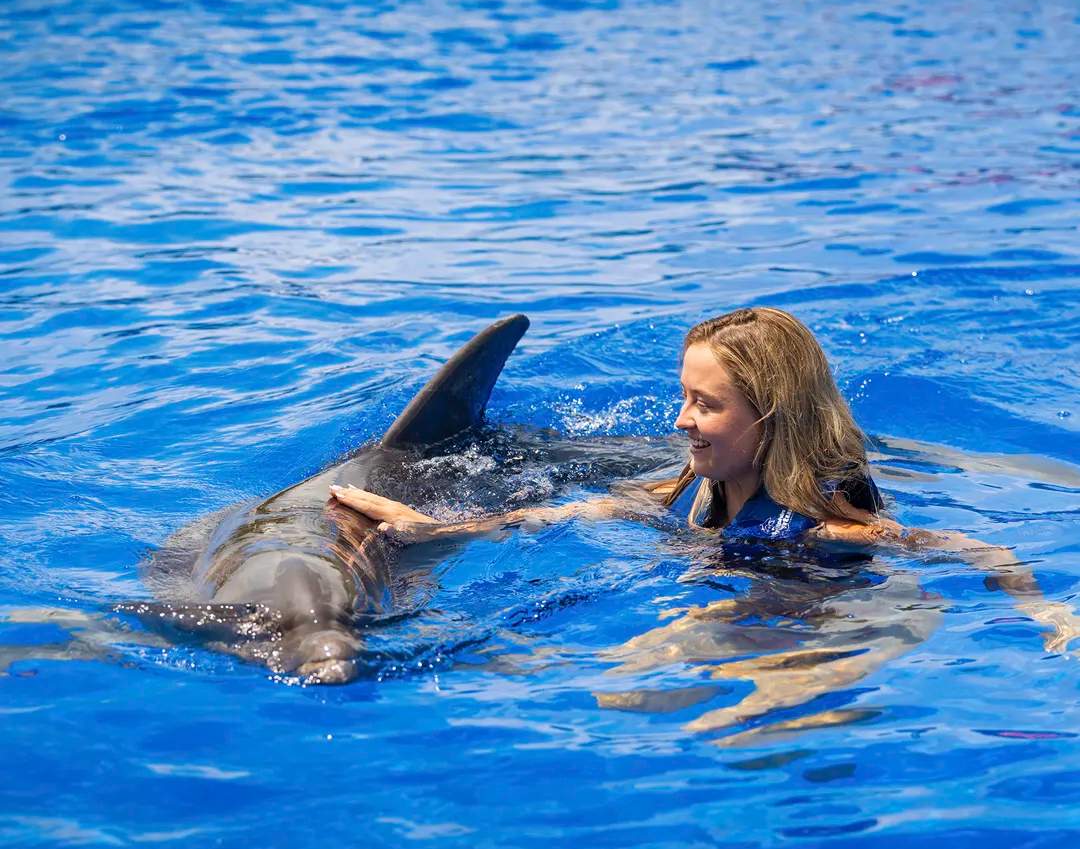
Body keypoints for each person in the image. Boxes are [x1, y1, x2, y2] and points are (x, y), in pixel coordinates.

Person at [329, 305, 1079, 650]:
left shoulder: (824, 528)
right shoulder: (689, 490)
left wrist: (1046, 616)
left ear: (771, 419)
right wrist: (439, 531)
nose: (681, 420)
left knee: (703, 706)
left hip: (811, 611)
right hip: (728, 596)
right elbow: (584, 513)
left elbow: (982, 551)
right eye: (684, 397)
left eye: (706, 405)